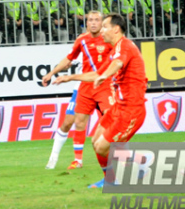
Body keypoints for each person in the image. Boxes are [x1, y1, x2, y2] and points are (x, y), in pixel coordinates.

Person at [53, 13, 148, 188]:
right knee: (96, 142)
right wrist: (70, 77)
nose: (101, 30)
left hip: (132, 110)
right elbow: (96, 73)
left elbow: (117, 64)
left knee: (104, 146)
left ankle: (130, 169)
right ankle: (111, 178)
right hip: (118, 108)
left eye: (105, 26)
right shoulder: (115, 50)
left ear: (116, 29)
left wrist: (105, 76)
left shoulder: (124, 46)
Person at [43, 11, 114, 170]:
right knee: (76, 121)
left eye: (97, 20)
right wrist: (51, 73)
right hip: (85, 86)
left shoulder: (109, 38)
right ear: (86, 23)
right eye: (90, 20)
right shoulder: (81, 40)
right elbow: (69, 58)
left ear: (102, 22)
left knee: (111, 123)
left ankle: (120, 158)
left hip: (105, 85)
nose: (93, 23)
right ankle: (77, 160)